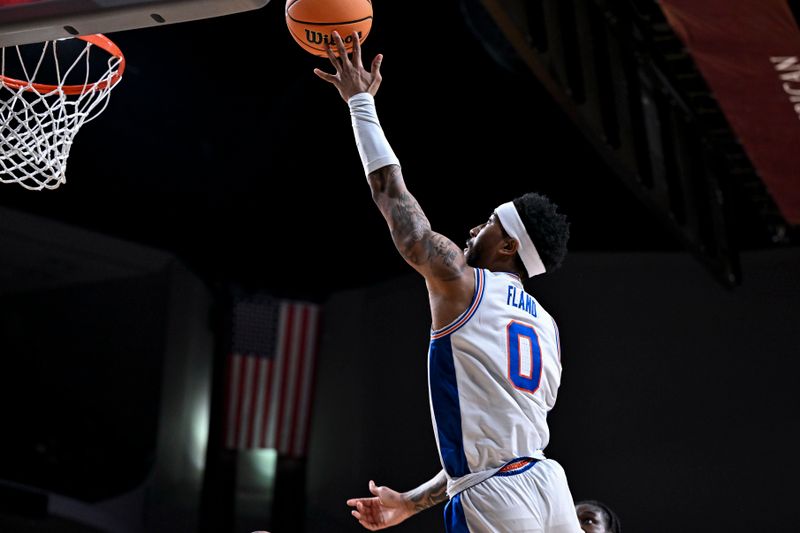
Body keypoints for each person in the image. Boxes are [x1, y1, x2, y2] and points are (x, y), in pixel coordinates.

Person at [315, 31, 581, 533]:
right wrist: (411, 503)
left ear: (509, 248)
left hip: (497, 492)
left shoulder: (463, 283)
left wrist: (359, 104)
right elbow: (495, 442)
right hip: (549, 484)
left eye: (489, 223)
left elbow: (391, 195)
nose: (474, 229)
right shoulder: (548, 328)